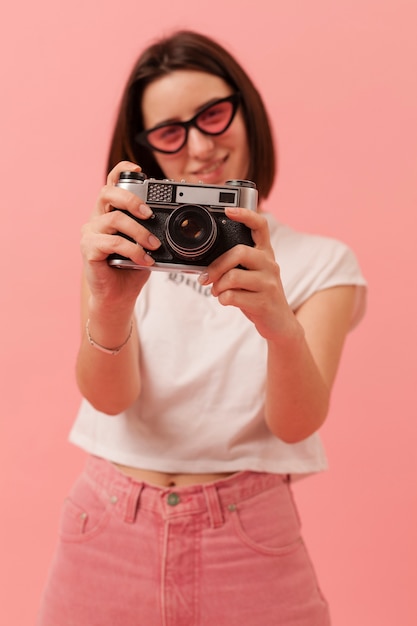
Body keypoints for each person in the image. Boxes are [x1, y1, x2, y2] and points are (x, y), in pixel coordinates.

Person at [37, 30, 367, 626]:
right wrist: (109, 303)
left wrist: (277, 322)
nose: (200, 146)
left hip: (249, 537)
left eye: (214, 115)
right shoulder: (120, 247)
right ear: (144, 151)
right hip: (108, 522)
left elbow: (296, 424)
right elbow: (110, 399)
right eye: (170, 131)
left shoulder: (323, 260)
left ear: (245, 109)